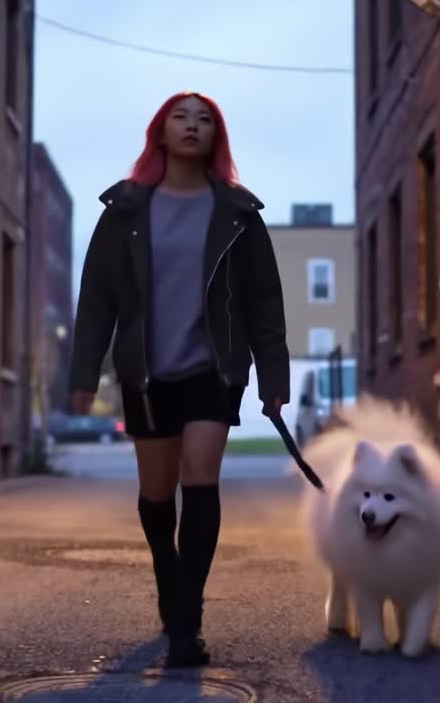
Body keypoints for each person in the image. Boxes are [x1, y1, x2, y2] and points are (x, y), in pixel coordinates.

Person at [66, 91, 289, 668]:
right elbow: (97, 300)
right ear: (159, 133)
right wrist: (83, 375)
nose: (192, 125)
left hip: (214, 369)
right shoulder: (125, 212)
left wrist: (273, 376)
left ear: (217, 137)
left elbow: (265, 301)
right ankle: (170, 583)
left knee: (201, 478)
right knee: (156, 496)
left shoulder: (238, 214)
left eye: (205, 119)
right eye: (179, 117)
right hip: (145, 371)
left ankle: (186, 623)